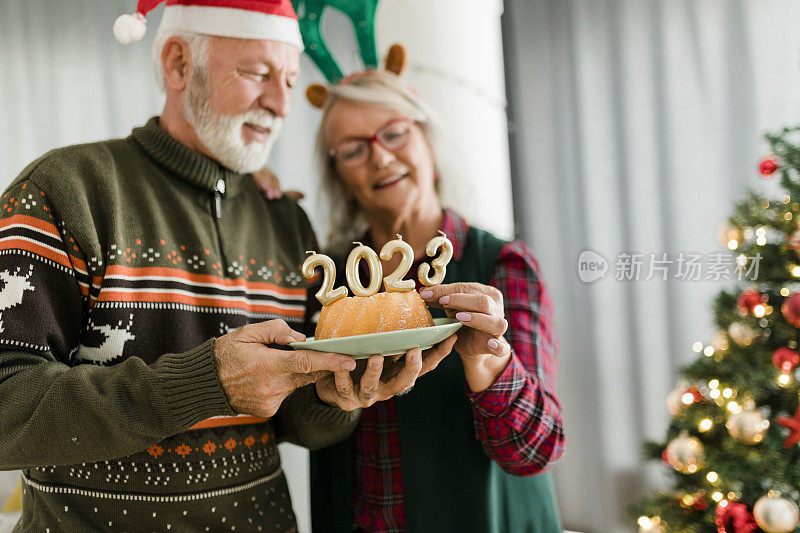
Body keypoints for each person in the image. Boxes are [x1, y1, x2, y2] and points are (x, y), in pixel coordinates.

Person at [0, 2, 454, 531]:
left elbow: (302, 427)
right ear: (177, 64)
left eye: (289, 78)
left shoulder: (287, 223)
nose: (283, 103)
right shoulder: (65, 191)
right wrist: (204, 383)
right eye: (257, 73)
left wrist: (335, 395)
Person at [256, 64, 567, 532]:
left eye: (395, 134)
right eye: (354, 149)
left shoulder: (501, 266)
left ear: (428, 143)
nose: (380, 158)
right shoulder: (328, 283)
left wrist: (488, 364)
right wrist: (248, 202)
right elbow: (288, 420)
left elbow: (537, 451)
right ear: (338, 176)